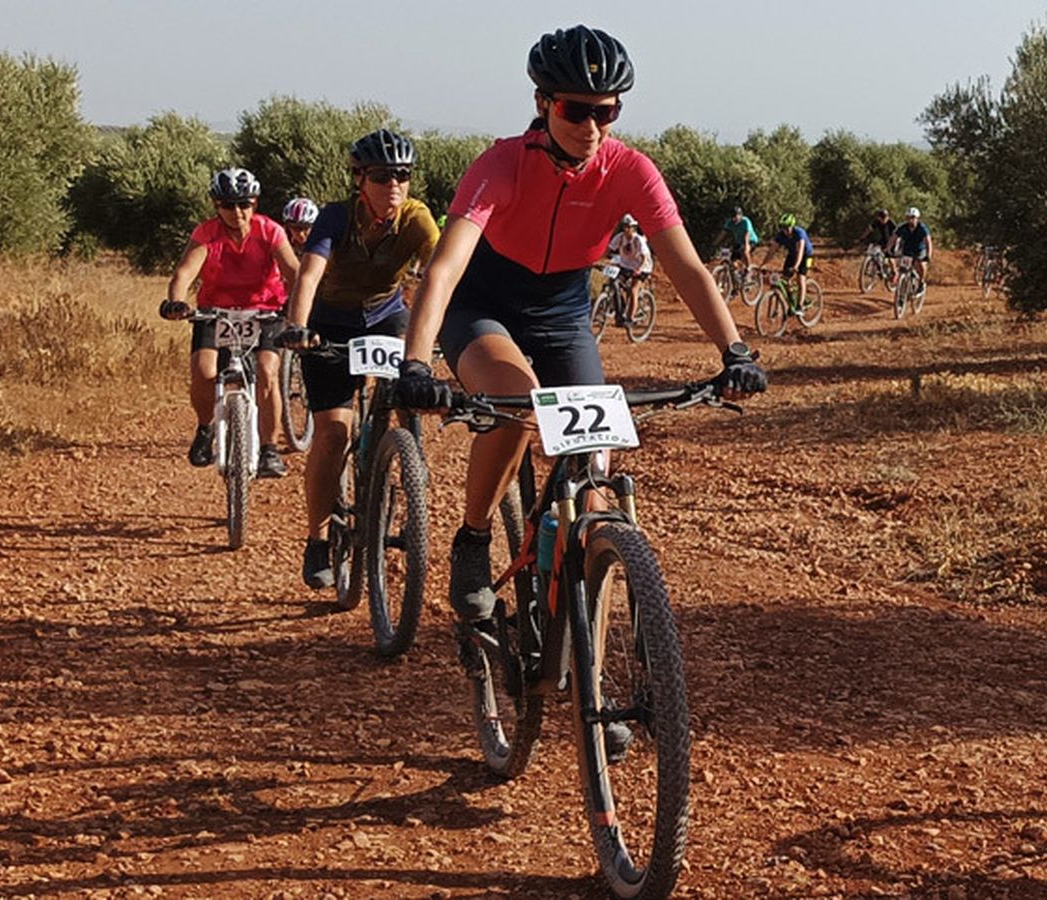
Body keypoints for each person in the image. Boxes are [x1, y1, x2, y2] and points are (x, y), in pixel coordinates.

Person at [393, 25, 767, 675]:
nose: (592, 126)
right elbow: (446, 269)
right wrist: (416, 363)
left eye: (607, 111)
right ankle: (474, 537)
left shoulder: (629, 170)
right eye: (575, 109)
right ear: (543, 102)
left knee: (595, 484)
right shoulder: (501, 164)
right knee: (515, 403)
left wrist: (735, 350)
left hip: (563, 315)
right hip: (483, 307)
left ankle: (590, 666)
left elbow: (685, 266)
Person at [276, 129, 441, 590]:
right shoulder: (335, 217)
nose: (394, 184)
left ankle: (408, 466)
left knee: (411, 388)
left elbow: (441, 273)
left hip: (386, 317)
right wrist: (297, 328)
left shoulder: (417, 218)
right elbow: (309, 275)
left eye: (403, 175)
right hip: (329, 321)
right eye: (382, 175)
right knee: (332, 432)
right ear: (359, 179)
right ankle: (318, 537)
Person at [160, 168, 298, 477]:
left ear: (255, 203)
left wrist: (296, 302)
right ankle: (205, 428)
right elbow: (184, 272)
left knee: (266, 372)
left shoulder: (270, 231)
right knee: (203, 371)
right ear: (215, 205)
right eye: (227, 205)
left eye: (244, 204)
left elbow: (293, 270)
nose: (237, 212)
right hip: (216, 310)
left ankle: (269, 449)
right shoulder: (206, 233)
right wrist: (176, 301)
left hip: (264, 310)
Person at [605, 213, 652, 320]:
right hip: (625, 266)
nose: (625, 229)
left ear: (633, 228)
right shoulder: (620, 237)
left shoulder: (638, 240)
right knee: (615, 283)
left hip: (642, 267)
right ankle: (619, 313)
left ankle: (630, 319)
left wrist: (639, 269)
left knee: (633, 290)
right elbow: (609, 249)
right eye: (624, 226)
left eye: (628, 226)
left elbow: (644, 257)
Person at [759, 213, 814, 303]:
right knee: (785, 278)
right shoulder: (780, 235)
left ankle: (800, 306)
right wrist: (763, 264)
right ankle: (792, 300)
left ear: (792, 226)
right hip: (792, 254)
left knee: (800, 277)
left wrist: (796, 267)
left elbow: (800, 251)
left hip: (807, 256)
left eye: (787, 227)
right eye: (783, 227)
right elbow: (771, 251)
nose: (785, 230)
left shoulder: (799, 233)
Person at [892, 206, 934, 294]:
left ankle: (921, 282)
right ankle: (901, 290)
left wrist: (928, 255)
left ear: (917, 218)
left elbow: (928, 241)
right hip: (907, 249)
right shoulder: (903, 227)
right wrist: (889, 249)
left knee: (921, 264)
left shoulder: (922, 228)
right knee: (903, 269)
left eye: (913, 218)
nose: (911, 220)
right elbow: (893, 237)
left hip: (919, 250)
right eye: (908, 217)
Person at [714, 205, 759, 271]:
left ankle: (749, 268)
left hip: (751, 241)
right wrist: (715, 243)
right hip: (739, 242)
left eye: (737, 216)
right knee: (732, 259)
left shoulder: (746, 221)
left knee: (745, 251)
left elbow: (747, 234)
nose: (735, 218)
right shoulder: (730, 223)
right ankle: (737, 275)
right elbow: (723, 234)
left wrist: (747, 245)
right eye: (733, 217)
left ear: (741, 215)